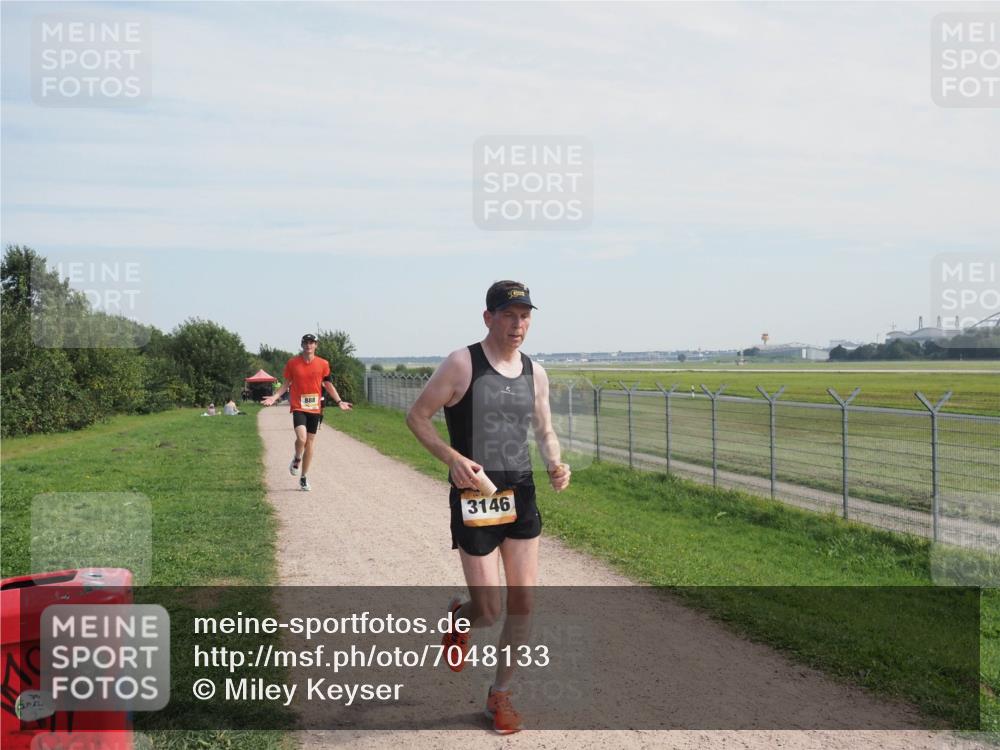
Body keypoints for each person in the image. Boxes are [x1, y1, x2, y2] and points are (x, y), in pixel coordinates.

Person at [406, 280, 570, 735]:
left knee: (523, 603)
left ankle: (500, 695)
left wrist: (556, 463)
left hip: (520, 493)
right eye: (509, 315)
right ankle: (462, 616)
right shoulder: (462, 363)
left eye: (525, 316)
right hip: (475, 496)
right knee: (490, 609)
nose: (519, 325)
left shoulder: (536, 372)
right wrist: (454, 459)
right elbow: (417, 417)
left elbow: (545, 429)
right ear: (488, 318)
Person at [261, 333, 353, 491]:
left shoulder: (323, 363)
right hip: (298, 406)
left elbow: (328, 385)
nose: (308, 345)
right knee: (302, 438)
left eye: (312, 342)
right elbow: (286, 384)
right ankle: (297, 457)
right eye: (306, 342)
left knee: (310, 442)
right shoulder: (293, 363)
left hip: (314, 408)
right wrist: (275, 397)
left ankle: (303, 477)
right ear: (302, 344)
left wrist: (339, 401)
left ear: (316, 345)